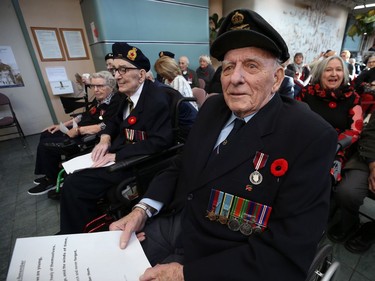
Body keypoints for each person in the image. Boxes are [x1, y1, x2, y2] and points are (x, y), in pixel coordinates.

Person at [109, 9, 338, 280]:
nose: (235, 78)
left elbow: (285, 252)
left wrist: (188, 274)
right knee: (108, 263)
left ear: (276, 79)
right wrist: (142, 209)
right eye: (229, 67)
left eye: (251, 66)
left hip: (226, 257)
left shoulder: (309, 136)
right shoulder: (213, 107)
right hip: (178, 222)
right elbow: (182, 165)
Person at [58, 42, 174, 234]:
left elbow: (161, 141)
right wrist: (104, 139)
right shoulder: (123, 96)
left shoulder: (156, 100)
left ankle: (77, 236)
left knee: (74, 185)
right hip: (118, 153)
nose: (117, 76)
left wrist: (117, 157)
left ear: (142, 74)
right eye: (114, 70)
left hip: (137, 162)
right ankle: (87, 227)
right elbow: (111, 121)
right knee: (72, 174)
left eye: (123, 69)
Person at [28, 71, 122, 195]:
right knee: (47, 133)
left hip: (87, 137)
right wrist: (62, 125)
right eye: (93, 86)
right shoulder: (99, 99)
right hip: (78, 130)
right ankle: (51, 172)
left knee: (46, 145)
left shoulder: (115, 101)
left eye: (100, 86)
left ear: (111, 86)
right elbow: (84, 115)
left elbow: (106, 125)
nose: (96, 90)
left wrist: (79, 130)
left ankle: (50, 180)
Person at [296, 55, 363, 184]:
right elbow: (294, 121)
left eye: (338, 69)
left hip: (338, 148)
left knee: (325, 175)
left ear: (344, 74)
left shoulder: (352, 97)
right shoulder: (306, 93)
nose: (333, 74)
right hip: (307, 144)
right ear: (320, 73)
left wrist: (335, 145)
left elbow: (355, 130)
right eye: (328, 70)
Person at [328, 112, 375, 249]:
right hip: (371, 157)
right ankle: (349, 222)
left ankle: (371, 230)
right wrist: (373, 165)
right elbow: (371, 133)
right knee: (347, 191)